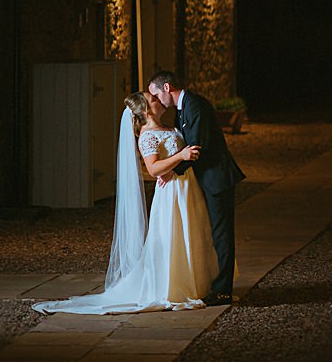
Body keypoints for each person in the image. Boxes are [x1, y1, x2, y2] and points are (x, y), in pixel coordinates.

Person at [32, 92, 218, 314]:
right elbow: (153, 169)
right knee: (173, 235)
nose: (159, 100)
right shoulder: (148, 136)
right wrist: (180, 157)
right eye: (154, 99)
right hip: (171, 195)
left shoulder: (170, 127)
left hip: (187, 188)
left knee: (192, 232)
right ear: (146, 110)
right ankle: (174, 285)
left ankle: (196, 282)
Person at [147, 70, 245, 306]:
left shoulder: (195, 106)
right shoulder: (182, 108)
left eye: (156, 95)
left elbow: (197, 148)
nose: (157, 101)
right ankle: (211, 281)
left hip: (217, 178)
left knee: (221, 235)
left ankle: (223, 291)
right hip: (204, 178)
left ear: (167, 88)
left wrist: (172, 172)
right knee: (210, 232)